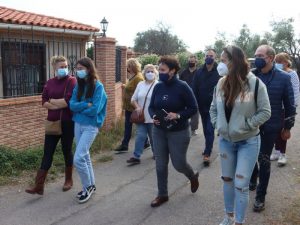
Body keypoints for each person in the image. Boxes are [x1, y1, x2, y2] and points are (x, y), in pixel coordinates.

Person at [210, 45, 271, 225]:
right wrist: (218, 125)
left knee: (241, 185)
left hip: (248, 142)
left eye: (223, 61)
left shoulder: (255, 83)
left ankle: (239, 221)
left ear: (234, 61)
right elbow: (213, 109)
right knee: (227, 180)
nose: (219, 64)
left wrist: (246, 126)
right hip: (226, 141)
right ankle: (228, 217)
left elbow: (265, 111)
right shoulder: (220, 83)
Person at [148, 55, 199, 207]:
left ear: (172, 71)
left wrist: (177, 115)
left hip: (179, 132)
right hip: (158, 131)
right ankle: (162, 194)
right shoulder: (158, 86)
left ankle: (192, 176)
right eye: (159, 69)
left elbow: (193, 108)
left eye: (162, 70)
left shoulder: (182, 86)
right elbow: (151, 107)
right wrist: (154, 117)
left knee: (178, 164)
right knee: (160, 164)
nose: (159, 72)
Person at [250, 45, 296, 212]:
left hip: (271, 125)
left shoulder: (284, 78)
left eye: (260, 55)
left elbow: (290, 105)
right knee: (250, 156)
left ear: (270, 57)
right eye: (255, 55)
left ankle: (260, 196)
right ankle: (253, 175)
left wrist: (288, 127)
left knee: (264, 159)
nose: (257, 58)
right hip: (250, 125)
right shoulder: (251, 76)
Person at [26, 56, 77, 195]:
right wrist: (55, 106)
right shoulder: (50, 82)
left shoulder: (72, 81)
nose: (64, 69)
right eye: (61, 67)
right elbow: (43, 101)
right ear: (54, 68)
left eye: (65, 66)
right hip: (52, 123)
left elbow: (68, 101)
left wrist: (52, 102)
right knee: (47, 152)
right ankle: (39, 185)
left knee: (67, 150)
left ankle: (68, 180)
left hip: (67, 122)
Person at [69, 57, 107, 204]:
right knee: (85, 157)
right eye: (77, 69)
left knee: (78, 158)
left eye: (81, 69)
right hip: (77, 124)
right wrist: (86, 104)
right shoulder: (78, 86)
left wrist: (80, 107)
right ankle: (91, 185)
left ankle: (87, 187)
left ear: (89, 69)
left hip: (91, 126)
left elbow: (95, 110)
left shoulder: (98, 87)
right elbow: (72, 105)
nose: (78, 71)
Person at [270, 52, 300, 166]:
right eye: (276, 61)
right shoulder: (276, 73)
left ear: (286, 62)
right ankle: (277, 151)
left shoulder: (292, 74)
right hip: (276, 106)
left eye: (280, 61)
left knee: (284, 131)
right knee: (276, 130)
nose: (277, 63)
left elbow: (296, 91)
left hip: (286, 108)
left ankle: (283, 154)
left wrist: (293, 106)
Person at [193, 49, 220, 166]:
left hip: (214, 107)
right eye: (207, 55)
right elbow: (194, 88)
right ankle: (207, 147)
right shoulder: (199, 72)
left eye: (211, 56)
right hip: (202, 106)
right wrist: (195, 104)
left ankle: (207, 153)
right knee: (205, 129)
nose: (209, 57)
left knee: (209, 129)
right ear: (204, 57)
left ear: (215, 57)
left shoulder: (220, 71)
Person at [126, 64, 159, 165]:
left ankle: (156, 154)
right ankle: (136, 156)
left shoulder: (158, 85)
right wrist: (137, 107)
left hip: (153, 117)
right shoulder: (140, 84)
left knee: (153, 138)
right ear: (144, 73)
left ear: (155, 73)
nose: (150, 73)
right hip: (141, 117)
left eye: (152, 71)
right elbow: (133, 99)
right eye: (148, 71)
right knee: (140, 136)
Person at [114, 58, 145, 153]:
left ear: (132, 67)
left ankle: (146, 142)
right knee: (128, 126)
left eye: (128, 66)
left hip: (134, 107)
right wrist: (124, 85)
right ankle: (125, 144)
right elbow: (130, 87)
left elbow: (140, 92)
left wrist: (138, 107)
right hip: (128, 107)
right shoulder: (132, 76)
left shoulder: (139, 78)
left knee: (140, 126)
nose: (127, 68)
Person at [179, 55, 199, 136]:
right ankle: (184, 127)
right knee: (184, 112)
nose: (191, 63)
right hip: (184, 96)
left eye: (192, 62)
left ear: (196, 62)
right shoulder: (184, 72)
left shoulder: (199, 72)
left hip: (196, 96)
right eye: (190, 61)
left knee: (195, 114)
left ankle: (193, 129)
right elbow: (179, 83)